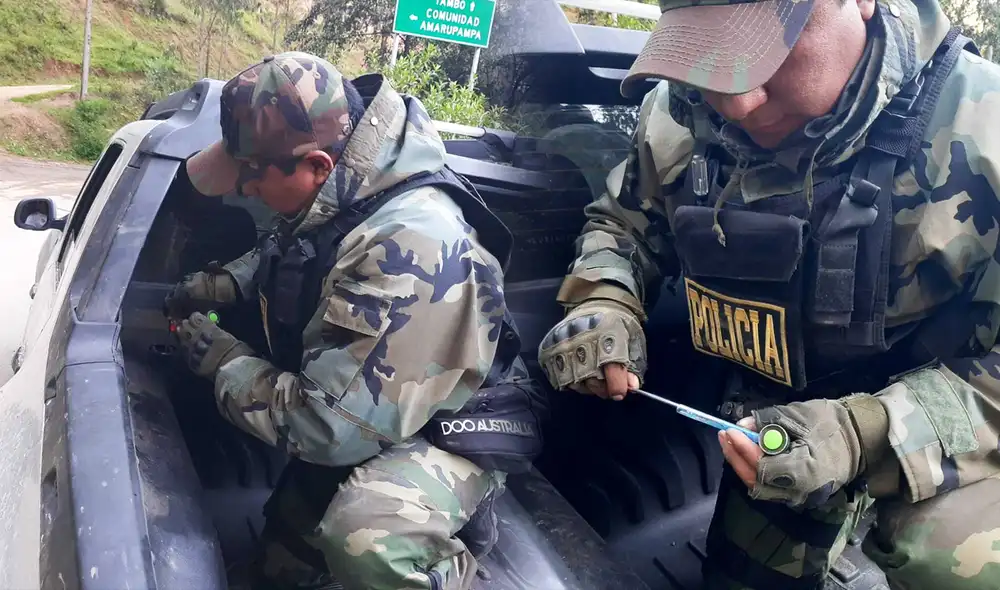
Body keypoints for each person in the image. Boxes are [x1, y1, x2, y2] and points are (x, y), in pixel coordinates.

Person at [537, 0, 1000, 588]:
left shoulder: (987, 131)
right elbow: (624, 223)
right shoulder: (679, 113)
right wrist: (604, 299)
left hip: (943, 434)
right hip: (776, 431)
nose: (737, 101)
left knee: (954, 553)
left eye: (766, 47)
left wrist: (867, 432)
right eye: (706, 52)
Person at [164, 52, 547, 590]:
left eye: (251, 176)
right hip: (372, 406)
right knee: (285, 556)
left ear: (317, 164)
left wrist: (224, 361)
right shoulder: (344, 187)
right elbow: (295, 251)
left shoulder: (411, 242)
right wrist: (214, 285)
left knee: (363, 542)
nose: (243, 190)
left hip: (452, 429)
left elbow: (327, 429)